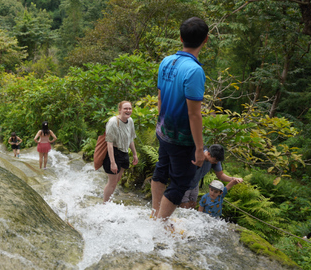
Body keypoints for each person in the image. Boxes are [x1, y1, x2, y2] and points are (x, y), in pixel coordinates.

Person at [151, 17, 209, 220]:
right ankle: (160, 224)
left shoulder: (166, 61)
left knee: (161, 170)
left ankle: (154, 214)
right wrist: (200, 149)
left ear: (181, 37)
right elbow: (194, 114)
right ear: (206, 40)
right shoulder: (194, 71)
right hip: (181, 138)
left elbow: (159, 97)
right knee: (180, 182)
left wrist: (160, 124)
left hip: (163, 130)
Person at [179, 144, 243, 209]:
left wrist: (233, 179)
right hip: (183, 184)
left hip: (195, 185)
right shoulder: (197, 155)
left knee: (192, 207)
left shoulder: (215, 161)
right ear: (209, 154)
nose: (216, 163)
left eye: (217, 161)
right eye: (215, 161)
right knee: (184, 208)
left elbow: (220, 175)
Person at [102, 101, 139, 202]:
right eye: (125, 108)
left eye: (130, 108)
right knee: (112, 182)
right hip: (114, 153)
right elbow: (109, 143)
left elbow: (131, 139)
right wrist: (112, 162)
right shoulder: (113, 122)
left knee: (117, 180)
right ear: (119, 110)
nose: (128, 111)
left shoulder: (130, 121)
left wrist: (135, 154)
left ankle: (107, 201)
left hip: (124, 152)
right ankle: (105, 205)